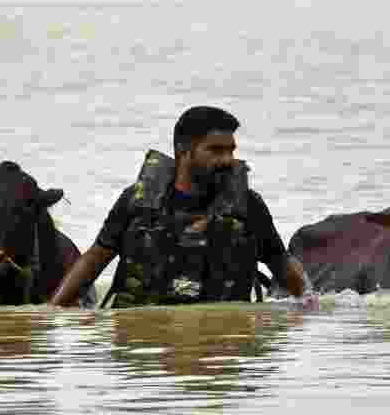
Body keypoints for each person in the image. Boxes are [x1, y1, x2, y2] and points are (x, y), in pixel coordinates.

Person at [49, 106, 316, 309]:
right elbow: (96, 258)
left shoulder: (248, 204)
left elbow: (280, 262)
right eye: (215, 150)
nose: (227, 160)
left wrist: (309, 305)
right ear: (183, 150)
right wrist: (53, 310)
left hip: (223, 341)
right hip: (148, 345)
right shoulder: (136, 202)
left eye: (231, 150)